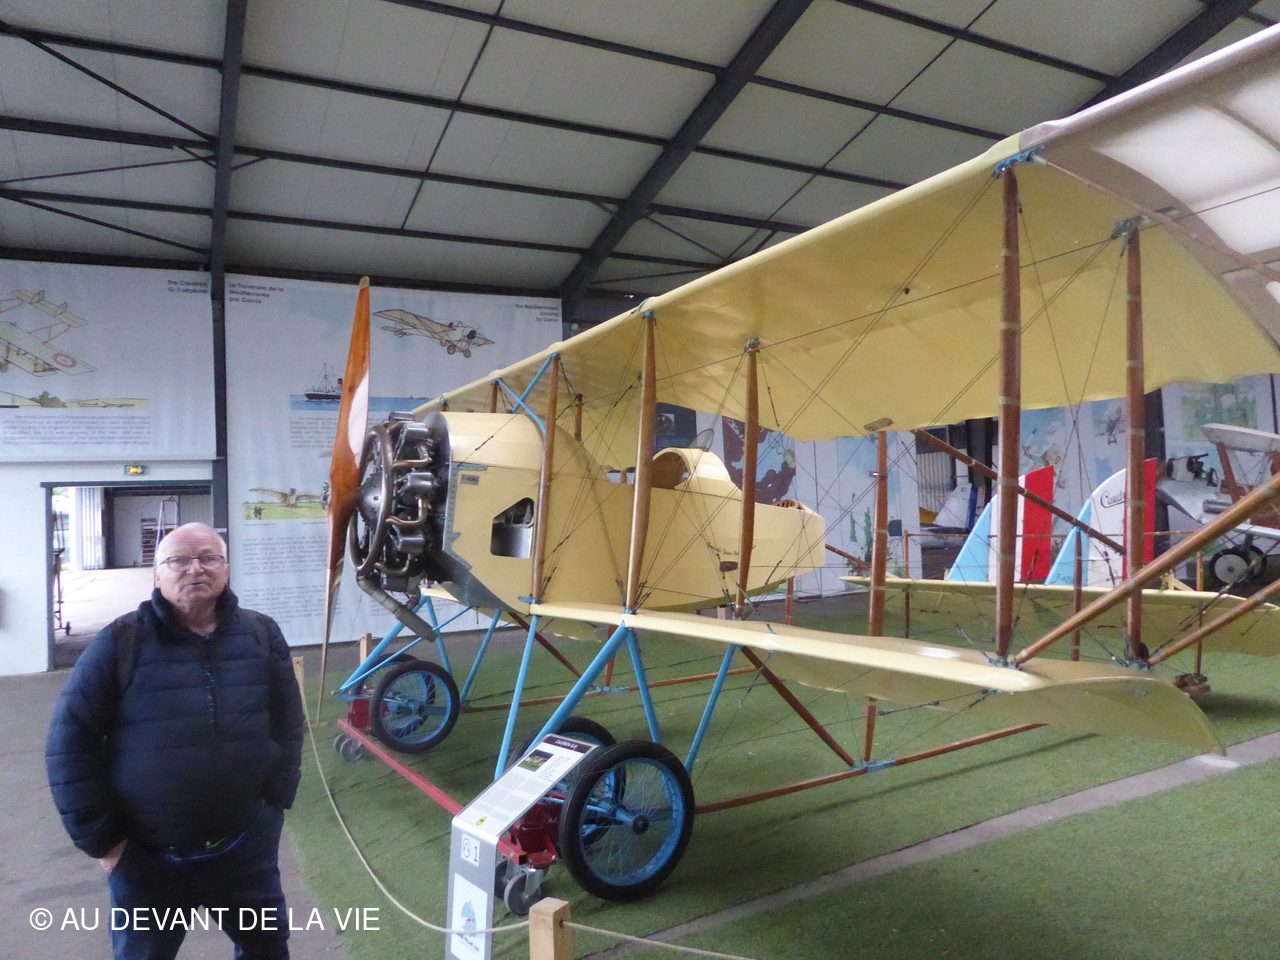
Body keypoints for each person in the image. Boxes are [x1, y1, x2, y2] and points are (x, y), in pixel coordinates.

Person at [46, 522, 304, 960]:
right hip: (147, 858)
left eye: (208, 558)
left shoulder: (261, 633)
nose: (195, 569)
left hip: (244, 847)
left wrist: (275, 802)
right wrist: (103, 841)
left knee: (266, 949)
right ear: (157, 574)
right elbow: (68, 741)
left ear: (226, 568)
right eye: (179, 560)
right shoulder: (121, 640)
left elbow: (288, 720)